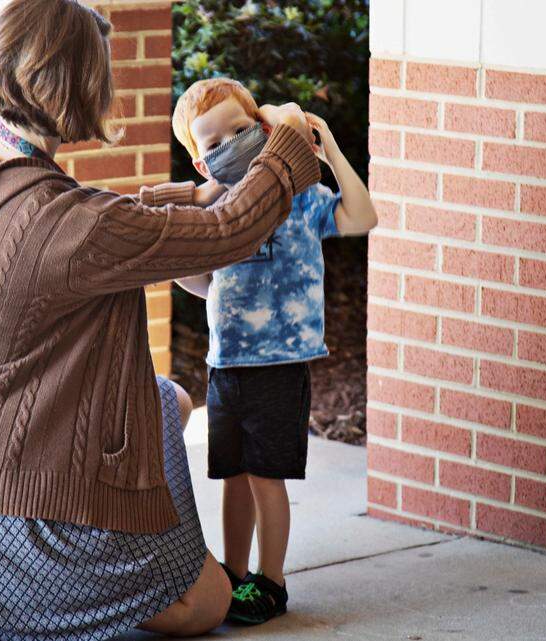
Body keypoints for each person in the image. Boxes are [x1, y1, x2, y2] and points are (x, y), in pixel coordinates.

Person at [0, 1, 323, 639]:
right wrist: (282, 145)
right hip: (13, 511)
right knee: (208, 604)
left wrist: (186, 195)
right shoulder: (71, 225)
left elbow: (93, 226)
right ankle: (70, 583)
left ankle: (117, 553)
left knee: (165, 403)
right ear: (84, 85)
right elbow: (232, 232)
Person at [163, 78, 377, 624]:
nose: (230, 143)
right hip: (227, 365)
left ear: (263, 129)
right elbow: (192, 271)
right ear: (199, 162)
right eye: (213, 142)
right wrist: (212, 290)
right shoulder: (218, 206)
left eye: (241, 129)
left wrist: (324, 145)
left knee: (265, 477)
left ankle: (272, 581)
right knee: (232, 475)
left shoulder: (297, 198)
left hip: (280, 366)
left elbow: (361, 216)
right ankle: (234, 577)